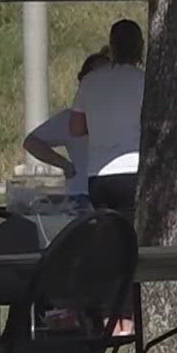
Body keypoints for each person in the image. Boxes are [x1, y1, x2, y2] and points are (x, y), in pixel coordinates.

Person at [71, 19, 145, 213]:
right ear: (141, 46)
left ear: (111, 46)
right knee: (133, 235)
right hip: (133, 170)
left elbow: (76, 128)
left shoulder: (89, 80)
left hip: (98, 174)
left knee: (109, 235)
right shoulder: (143, 80)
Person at [22, 51, 112, 201]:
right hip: (81, 195)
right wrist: (65, 165)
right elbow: (32, 142)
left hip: (113, 193)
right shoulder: (69, 118)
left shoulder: (124, 112)